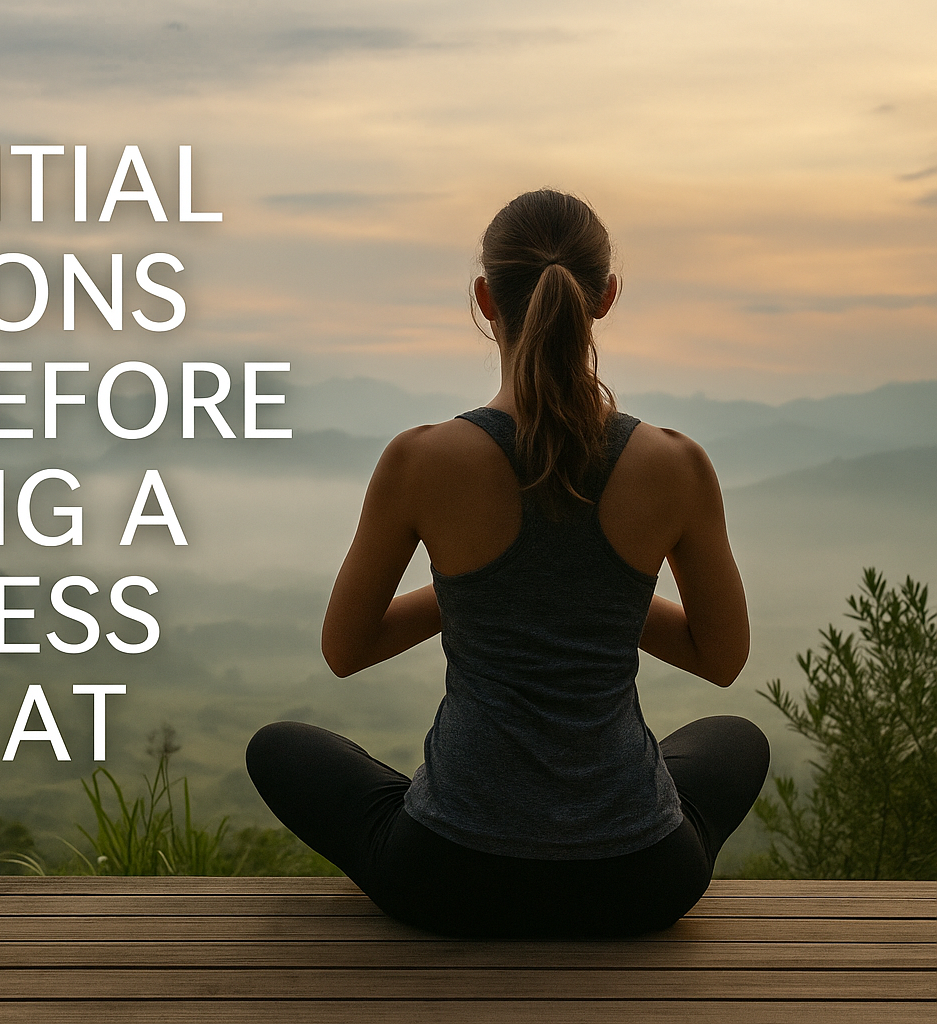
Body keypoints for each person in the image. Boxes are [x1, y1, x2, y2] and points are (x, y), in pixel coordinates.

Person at [246, 189, 769, 939]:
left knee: (280, 749)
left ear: (485, 298)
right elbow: (721, 659)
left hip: (450, 876)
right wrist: (600, 596)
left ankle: (448, 813)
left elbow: (346, 649)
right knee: (735, 739)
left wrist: (473, 590)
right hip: (641, 881)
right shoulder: (677, 463)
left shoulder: (421, 459)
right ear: (607, 297)